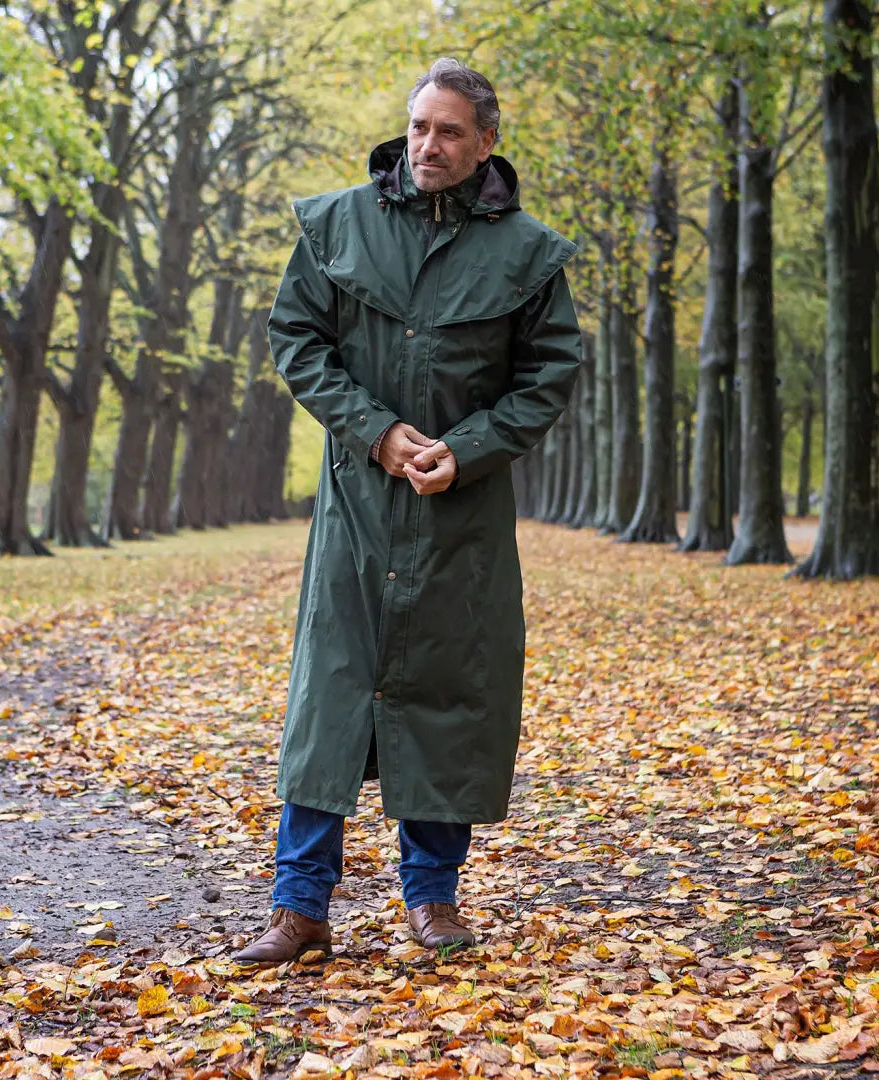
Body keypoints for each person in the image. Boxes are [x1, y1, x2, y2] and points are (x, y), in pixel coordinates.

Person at [234, 57, 581, 965]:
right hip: (356, 504)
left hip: (460, 516)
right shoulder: (337, 223)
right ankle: (299, 907)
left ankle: (432, 902)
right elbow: (296, 340)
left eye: (451, 132)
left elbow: (548, 378)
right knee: (332, 699)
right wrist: (376, 432)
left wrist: (463, 450)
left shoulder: (531, 254)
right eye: (421, 127)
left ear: (486, 143)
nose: (430, 145)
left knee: (445, 698)